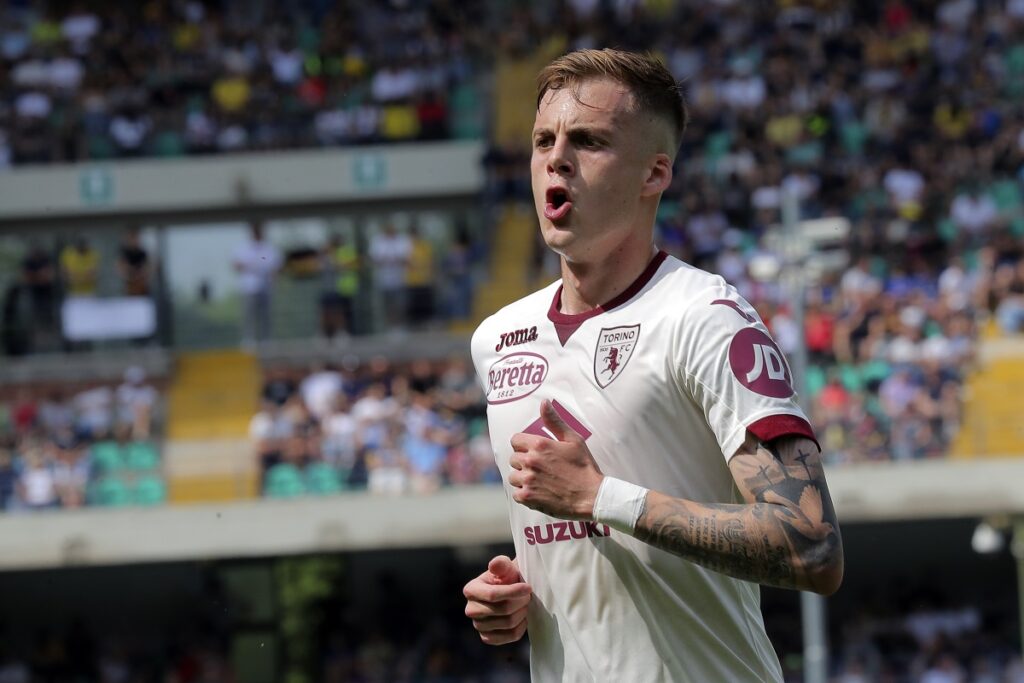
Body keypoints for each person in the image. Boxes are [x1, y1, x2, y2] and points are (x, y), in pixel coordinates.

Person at [463, 49, 843, 682]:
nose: (556, 158)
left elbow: (812, 544)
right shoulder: (497, 339)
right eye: (542, 140)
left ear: (653, 174)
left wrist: (599, 496)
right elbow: (585, 544)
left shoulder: (707, 318)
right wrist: (516, 597)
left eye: (588, 141)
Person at [233, 221, 281, 346]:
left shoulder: (269, 248)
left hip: (265, 287)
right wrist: (252, 267)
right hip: (249, 287)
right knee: (249, 316)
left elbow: (275, 267)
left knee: (266, 316)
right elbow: (236, 264)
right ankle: (249, 341)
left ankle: (267, 341)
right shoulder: (244, 248)